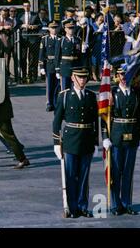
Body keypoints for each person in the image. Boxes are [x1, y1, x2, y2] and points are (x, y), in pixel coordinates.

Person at [52, 67, 98, 218]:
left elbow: (94, 121)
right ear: (72, 78)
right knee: (70, 175)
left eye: (85, 77)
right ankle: (72, 208)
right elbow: (57, 121)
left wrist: (96, 142)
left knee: (84, 176)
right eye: (79, 77)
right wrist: (56, 143)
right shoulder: (64, 96)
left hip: (86, 140)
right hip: (71, 140)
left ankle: (82, 206)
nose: (83, 80)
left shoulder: (91, 96)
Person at [101, 67, 140, 216]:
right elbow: (104, 116)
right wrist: (105, 136)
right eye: (121, 75)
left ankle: (127, 203)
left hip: (131, 135)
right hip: (116, 136)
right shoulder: (111, 92)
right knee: (116, 171)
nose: (124, 78)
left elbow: (139, 116)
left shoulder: (136, 93)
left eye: (127, 75)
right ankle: (115, 204)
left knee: (128, 172)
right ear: (117, 76)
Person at [38, 21, 60, 112]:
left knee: (58, 85)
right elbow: (41, 53)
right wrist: (41, 66)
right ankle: (49, 103)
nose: (54, 29)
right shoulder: (45, 39)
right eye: (52, 28)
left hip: (58, 64)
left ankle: (56, 103)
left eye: (55, 28)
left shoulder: (60, 39)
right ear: (49, 29)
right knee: (50, 85)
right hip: (49, 64)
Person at [55, 19, 82, 91]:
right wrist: (57, 69)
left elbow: (80, 55)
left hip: (75, 66)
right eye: (69, 28)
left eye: (73, 28)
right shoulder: (61, 40)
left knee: (75, 87)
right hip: (65, 66)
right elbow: (57, 55)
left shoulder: (78, 40)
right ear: (65, 29)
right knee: (65, 88)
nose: (71, 30)